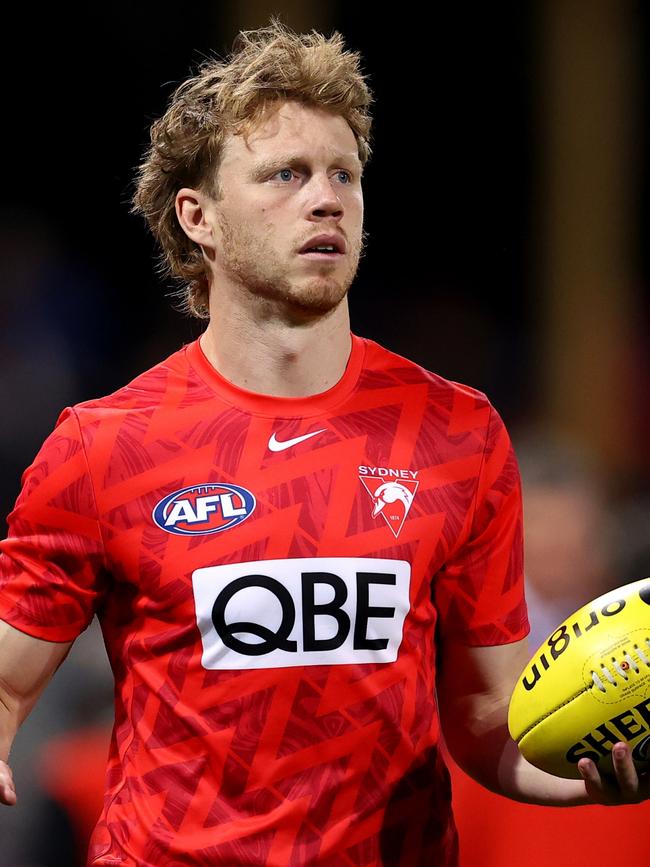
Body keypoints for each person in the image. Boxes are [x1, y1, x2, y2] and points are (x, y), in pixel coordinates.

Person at [0, 21, 647, 867]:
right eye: (285, 174)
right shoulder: (103, 445)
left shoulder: (456, 431)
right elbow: (11, 681)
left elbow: (489, 718)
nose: (326, 196)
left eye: (344, 172)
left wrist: (577, 778)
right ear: (199, 217)